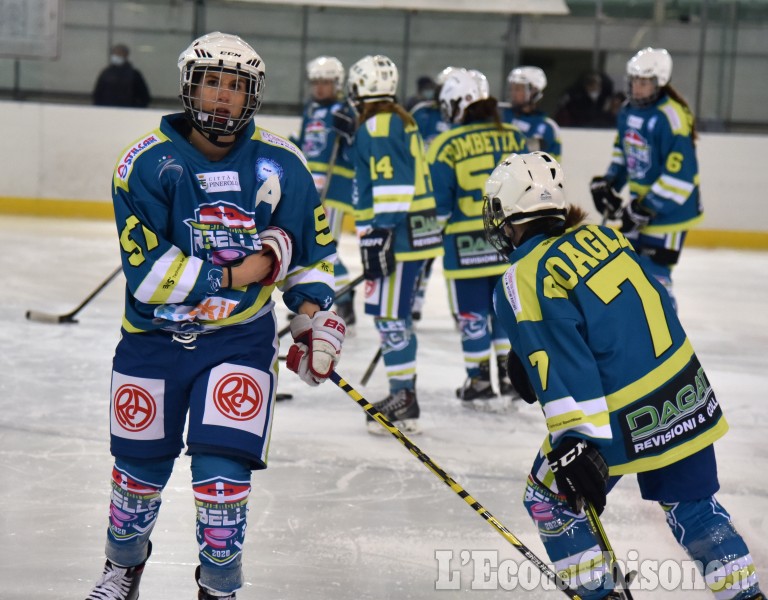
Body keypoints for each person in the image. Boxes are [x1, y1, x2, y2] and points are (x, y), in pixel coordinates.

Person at [84, 32, 346, 600]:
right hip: (151, 341)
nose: (223, 96)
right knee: (137, 478)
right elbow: (150, 279)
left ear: (251, 95)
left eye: (235, 86)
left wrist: (311, 318)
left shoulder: (283, 162)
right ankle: (123, 567)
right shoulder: (144, 164)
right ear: (189, 87)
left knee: (223, 483)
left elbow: (314, 257)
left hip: (238, 341)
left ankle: (219, 586)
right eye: (212, 82)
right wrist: (242, 273)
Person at [484, 151, 762, 600]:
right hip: (684, 391)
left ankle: (599, 595)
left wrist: (575, 439)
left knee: (549, 500)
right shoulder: (604, 235)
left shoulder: (523, 274)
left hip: (616, 413)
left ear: (512, 213)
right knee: (696, 510)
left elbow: (567, 365)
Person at [346, 54, 443, 434]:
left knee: (390, 319)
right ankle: (404, 392)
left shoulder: (379, 125)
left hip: (397, 237)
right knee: (395, 317)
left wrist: (380, 233)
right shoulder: (397, 119)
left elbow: (394, 185)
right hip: (411, 235)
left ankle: (404, 396)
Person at [427, 68, 528, 402]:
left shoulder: (445, 144)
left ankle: (479, 380)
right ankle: (508, 373)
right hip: (511, 241)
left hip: (464, 243)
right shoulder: (515, 137)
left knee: (471, 314)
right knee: (504, 310)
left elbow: (439, 204)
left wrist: (428, 238)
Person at [590, 48, 701, 306]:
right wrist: (609, 183)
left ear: (659, 83)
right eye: (634, 81)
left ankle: (667, 337)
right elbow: (624, 151)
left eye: (644, 82)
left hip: (672, 213)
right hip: (642, 207)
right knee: (624, 270)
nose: (637, 88)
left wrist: (645, 207)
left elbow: (680, 177)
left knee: (656, 278)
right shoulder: (628, 111)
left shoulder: (672, 117)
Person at [294, 55, 358, 324]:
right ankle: (317, 300)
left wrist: (351, 134)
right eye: (316, 82)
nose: (320, 87)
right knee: (313, 247)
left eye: (326, 82)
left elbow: (356, 154)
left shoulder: (345, 111)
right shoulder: (310, 109)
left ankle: (343, 298)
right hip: (312, 188)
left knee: (326, 248)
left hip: (334, 190)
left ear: (337, 83)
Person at [408, 65, 457, 322]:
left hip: (458, 199)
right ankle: (415, 299)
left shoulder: (463, 120)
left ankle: (461, 309)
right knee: (423, 255)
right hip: (428, 197)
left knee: (457, 253)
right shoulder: (423, 113)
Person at [500, 66, 562, 161]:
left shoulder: (549, 128)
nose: (513, 93)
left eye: (518, 89)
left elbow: (552, 164)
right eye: (511, 88)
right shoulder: (500, 116)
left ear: (534, 91)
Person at [93, 44, 151, 108]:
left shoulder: (134, 74)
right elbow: (98, 93)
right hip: (107, 110)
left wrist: (136, 110)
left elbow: (144, 96)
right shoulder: (106, 73)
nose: (116, 56)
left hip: (128, 111)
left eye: (119, 54)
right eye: (114, 54)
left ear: (126, 55)